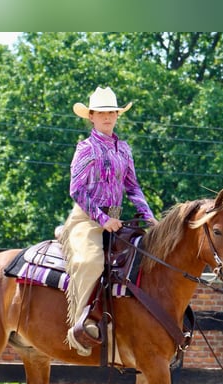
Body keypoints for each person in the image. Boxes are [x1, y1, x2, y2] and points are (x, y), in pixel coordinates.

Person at [60, 86, 156, 356]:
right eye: (101, 113)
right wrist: (101, 219)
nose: (107, 117)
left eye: (112, 112)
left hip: (117, 220)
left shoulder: (124, 150)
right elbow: (76, 190)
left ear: (117, 116)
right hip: (86, 219)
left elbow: (133, 187)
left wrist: (150, 218)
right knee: (90, 262)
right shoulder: (86, 149)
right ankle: (80, 328)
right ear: (91, 116)